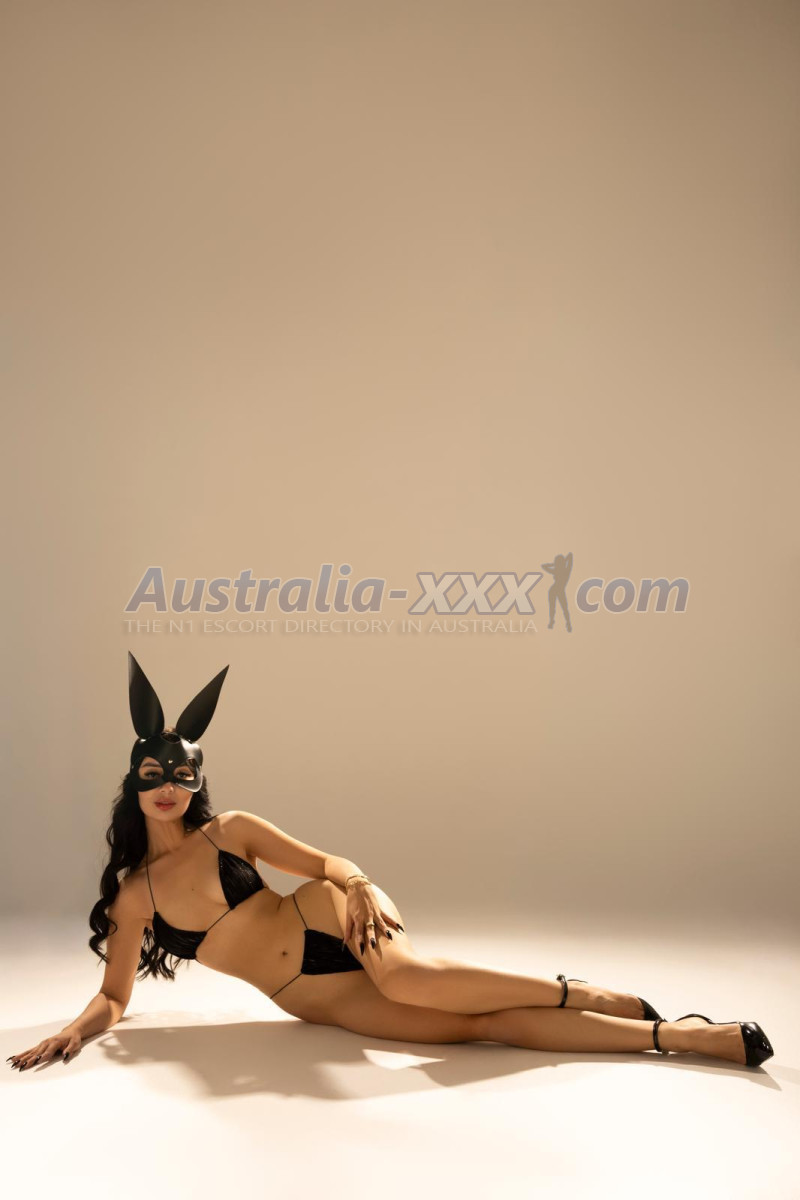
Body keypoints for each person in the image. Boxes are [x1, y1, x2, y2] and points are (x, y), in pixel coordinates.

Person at [7, 654, 774, 1073]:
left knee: (410, 977)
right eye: (154, 775)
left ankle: (585, 993)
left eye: (183, 774)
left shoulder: (231, 831)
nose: (169, 787)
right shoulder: (134, 898)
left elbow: (326, 863)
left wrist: (359, 883)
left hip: (329, 912)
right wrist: (75, 1031)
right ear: (134, 781)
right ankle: (677, 1037)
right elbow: (114, 996)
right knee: (476, 1029)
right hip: (314, 995)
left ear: (197, 779)